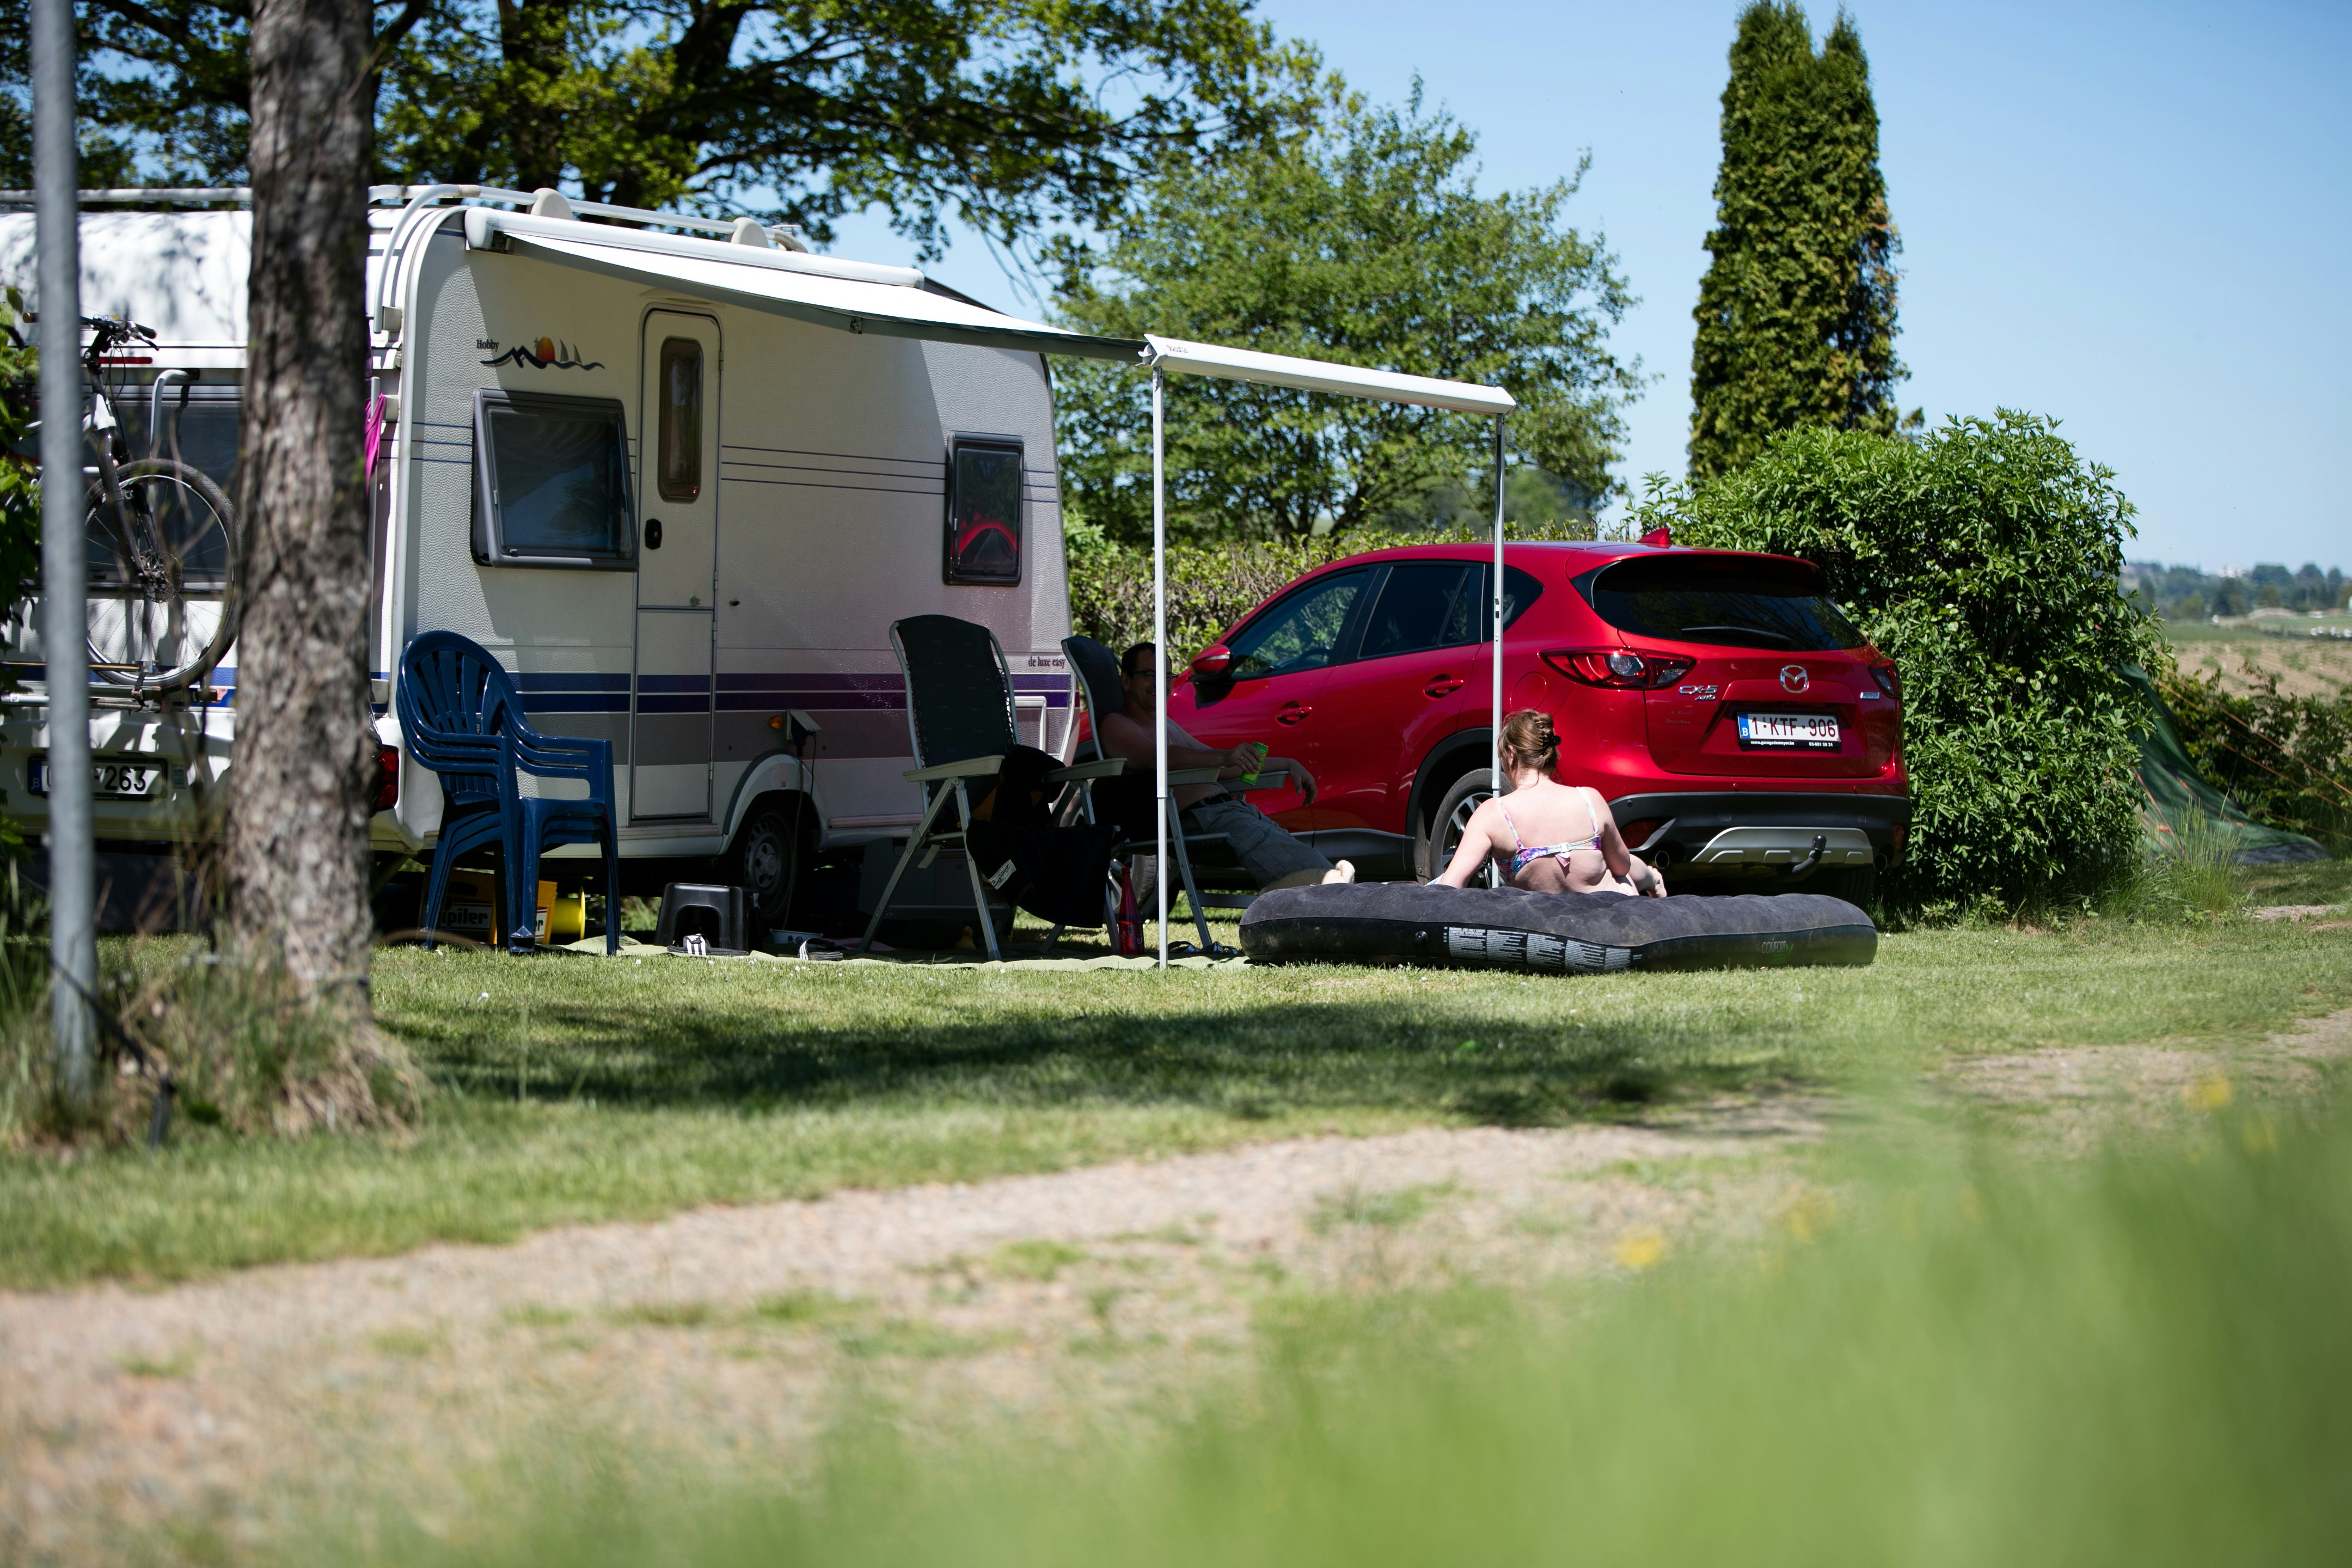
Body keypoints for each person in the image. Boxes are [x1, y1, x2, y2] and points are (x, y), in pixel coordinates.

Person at [1095, 642, 1356, 891]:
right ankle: (1328, 896)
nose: (1160, 684)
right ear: (1126, 681)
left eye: (1167, 676)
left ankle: (1331, 894)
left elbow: (1222, 763)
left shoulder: (1167, 725)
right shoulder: (1116, 724)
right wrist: (1223, 757)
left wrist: (1288, 764)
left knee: (1294, 849)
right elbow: (1157, 758)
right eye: (1149, 675)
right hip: (1197, 822)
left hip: (1229, 813)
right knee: (1300, 868)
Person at [1436, 709, 1666, 897]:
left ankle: (1652, 878)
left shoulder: (1493, 815)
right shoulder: (1589, 799)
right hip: (1610, 917)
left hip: (1546, 927)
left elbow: (1449, 886)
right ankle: (1652, 878)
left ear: (1511, 753)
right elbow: (1622, 867)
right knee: (1617, 868)